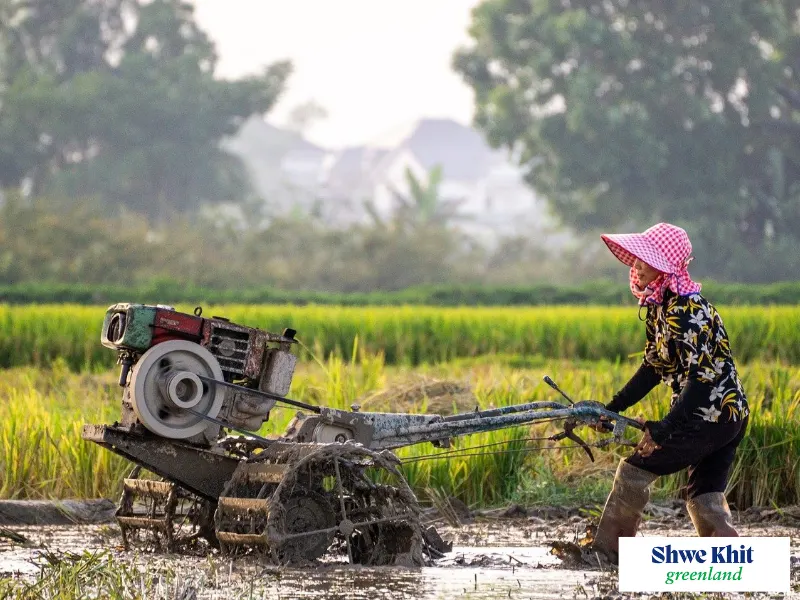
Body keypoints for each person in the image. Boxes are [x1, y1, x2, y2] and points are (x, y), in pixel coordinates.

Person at [589, 222, 750, 559]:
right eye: (635, 259)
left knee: (633, 472)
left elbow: (701, 378)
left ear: (664, 265)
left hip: (711, 415)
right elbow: (653, 367)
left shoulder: (687, 310)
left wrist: (664, 427)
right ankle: (734, 569)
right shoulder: (661, 307)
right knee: (704, 496)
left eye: (644, 260)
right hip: (722, 415)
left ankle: (607, 556)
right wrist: (613, 407)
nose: (636, 266)